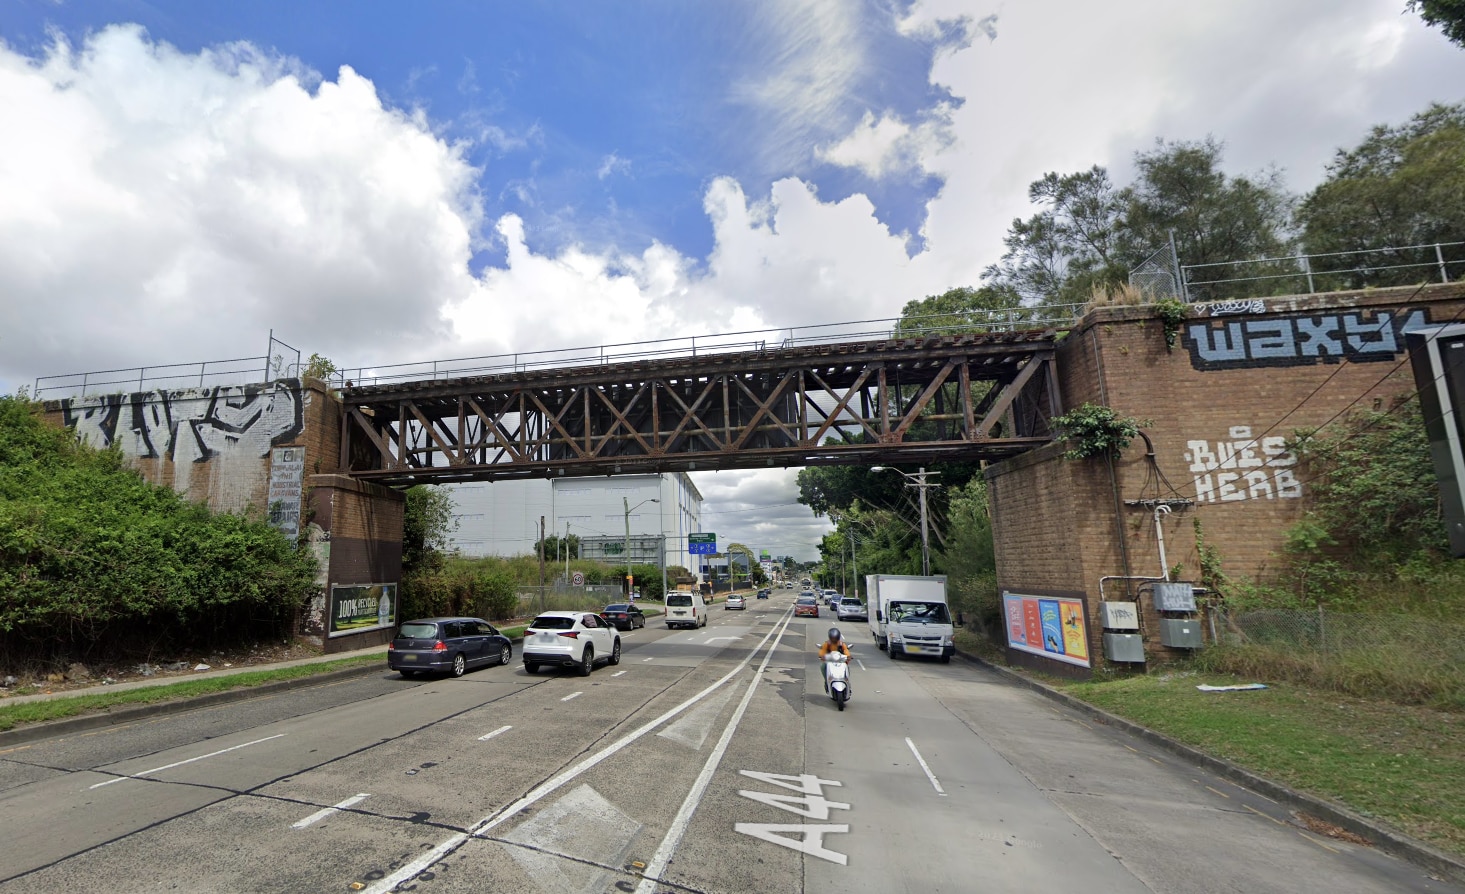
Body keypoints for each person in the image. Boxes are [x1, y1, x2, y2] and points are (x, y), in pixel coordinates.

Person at [817, 627, 851, 693]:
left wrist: (848, 656)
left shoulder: (841, 644)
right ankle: (827, 680)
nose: (834, 640)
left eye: (835, 638)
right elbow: (822, 651)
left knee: (847, 668)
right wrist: (822, 656)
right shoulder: (827, 644)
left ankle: (846, 681)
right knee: (823, 667)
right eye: (832, 638)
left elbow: (846, 650)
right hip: (829, 661)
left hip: (840, 661)